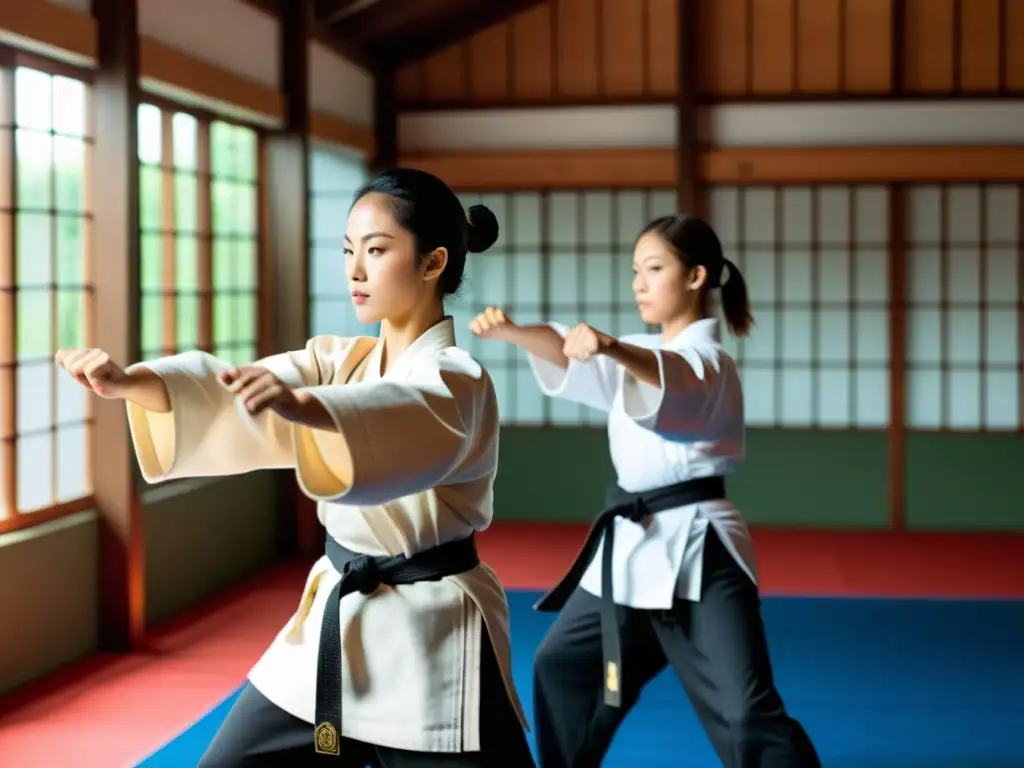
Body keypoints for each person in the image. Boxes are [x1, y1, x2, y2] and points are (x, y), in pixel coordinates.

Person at [55, 168, 535, 767]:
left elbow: (399, 420)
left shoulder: (457, 379)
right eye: (348, 251)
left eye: (377, 250)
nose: (355, 270)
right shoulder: (335, 360)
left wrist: (311, 408)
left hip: (434, 639)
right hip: (338, 623)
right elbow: (235, 393)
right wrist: (134, 384)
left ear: (433, 262)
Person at [469, 213, 821, 767]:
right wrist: (513, 331)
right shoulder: (633, 351)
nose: (639, 283)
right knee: (560, 664)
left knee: (747, 710)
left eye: (654, 269)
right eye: (635, 270)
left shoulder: (710, 363)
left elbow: (670, 378)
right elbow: (565, 349)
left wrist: (611, 348)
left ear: (697, 276)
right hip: (632, 548)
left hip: (702, 549)